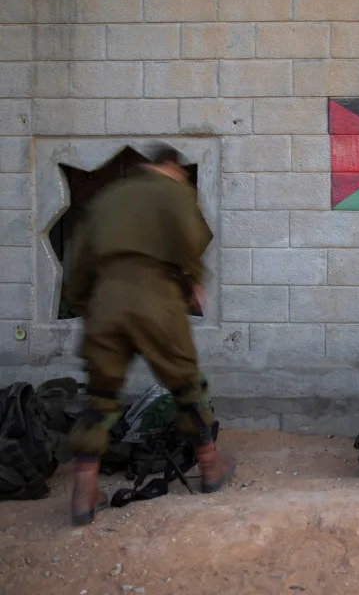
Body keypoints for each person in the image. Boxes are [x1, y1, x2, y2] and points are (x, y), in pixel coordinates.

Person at [64, 143, 235, 526]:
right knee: (186, 386)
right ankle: (210, 467)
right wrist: (193, 281)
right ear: (170, 166)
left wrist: (84, 304)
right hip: (154, 297)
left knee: (102, 396)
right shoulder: (173, 191)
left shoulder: (109, 196)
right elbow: (191, 239)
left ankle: (84, 489)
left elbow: (79, 257)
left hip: (105, 300)